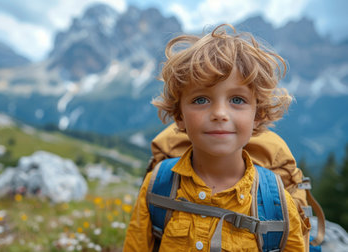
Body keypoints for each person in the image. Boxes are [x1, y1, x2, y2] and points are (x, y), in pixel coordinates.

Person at [123, 24, 305, 251]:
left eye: (237, 100)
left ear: (258, 115)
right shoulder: (157, 186)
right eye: (201, 100)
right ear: (179, 116)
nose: (219, 113)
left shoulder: (277, 204)